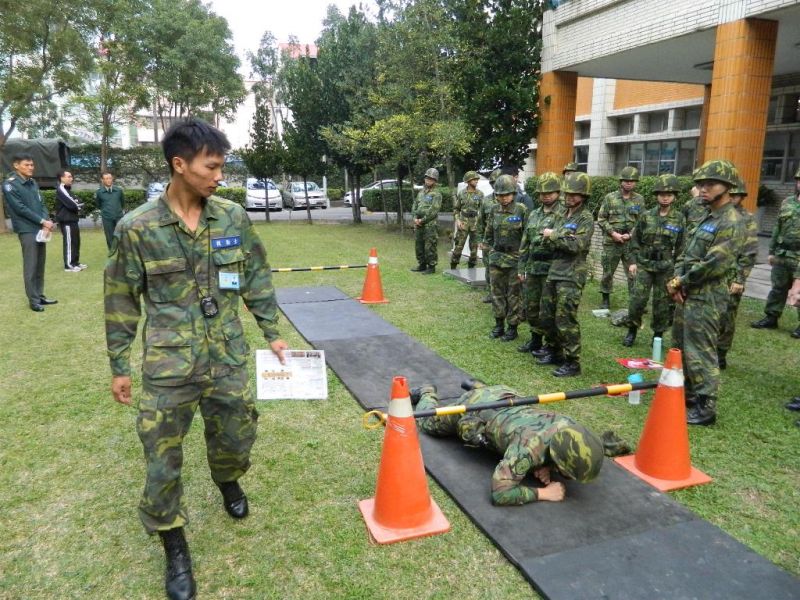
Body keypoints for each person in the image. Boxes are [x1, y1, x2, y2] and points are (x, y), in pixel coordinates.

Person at [104, 118, 288, 600]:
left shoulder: (232, 218)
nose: (219, 176)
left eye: (222, 167)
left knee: (237, 435)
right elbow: (121, 300)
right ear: (180, 165)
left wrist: (272, 333)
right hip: (169, 366)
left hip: (226, 355)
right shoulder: (136, 228)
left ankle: (228, 480)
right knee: (161, 458)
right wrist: (119, 365)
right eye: (212, 167)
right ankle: (174, 543)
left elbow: (255, 277)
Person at [412, 380, 604, 505]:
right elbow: (500, 493)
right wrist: (544, 493)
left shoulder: (569, 426)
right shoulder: (528, 449)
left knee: (494, 400)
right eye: (567, 474)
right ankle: (426, 392)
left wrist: (545, 465)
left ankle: (479, 387)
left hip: (507, 396)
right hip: (476, 408)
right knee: (428, 424)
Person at [668, 159, 743, 426]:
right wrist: (677, 281)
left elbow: (714, 263)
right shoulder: (707, 216)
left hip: (708, 296)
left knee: (701, 350)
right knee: (682, 345)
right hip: (688, 292)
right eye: (701, 184)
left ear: (727, 187)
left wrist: (681, 282)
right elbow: (687, 253)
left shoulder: (731, 221)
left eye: (710, 184)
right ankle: (688, 395)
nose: (703, 189)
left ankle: (706, 406)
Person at [535, 172, 595, 377]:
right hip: (555, 270)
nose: (569, 197)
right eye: (567, 193)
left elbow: (576, 245)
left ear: (583, 196)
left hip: (572, 274)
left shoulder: (585, 218)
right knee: (547, 315)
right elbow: (552, 241)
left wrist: (553, 235)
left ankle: (572, 362)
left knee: (565, 318)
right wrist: (550, 238)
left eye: (574, 194)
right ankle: (554, 351)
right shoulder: (562, 215)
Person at [622, 174, 685, 347]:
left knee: (662, 303)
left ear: (674, 197)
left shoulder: (679, 218)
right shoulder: (646, 216)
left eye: (669, 194)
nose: (665, 198)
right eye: (662, 194)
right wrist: (633, 262)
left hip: (665, 267)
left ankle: (657, 335)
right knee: (637, 300)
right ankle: (632, 330)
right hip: (644, 264)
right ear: (656, 195)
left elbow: (681, 247)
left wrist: (678, 271)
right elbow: (635, 240)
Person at [3, 153, 57, 312]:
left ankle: (39, 296)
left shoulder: (32, 182)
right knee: (31, 265)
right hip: (27, 229)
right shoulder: (10, 184)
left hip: (40, 228)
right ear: (16, 165)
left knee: (40, 264)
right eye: (26, 165)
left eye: (32, 165)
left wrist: (46, 221)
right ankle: (33, 301)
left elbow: (42, 203)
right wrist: (42, 221)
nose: (31, 167)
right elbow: (20, 208)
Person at [750, 166, 800, 338]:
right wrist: (771, 251)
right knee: (778, 287)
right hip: (782, 254)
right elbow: (777, 227)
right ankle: (771, 317)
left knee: (799, 291)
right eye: (799, 180)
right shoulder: (787, 203)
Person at [517, 172, 563, 354]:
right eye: (542, 193)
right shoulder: (534, 214)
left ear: (558, 192)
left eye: (549, 192)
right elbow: (525, 242)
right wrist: (521, 267)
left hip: (552, 269)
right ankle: (535, 339)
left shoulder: (563, 214)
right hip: (533, 268)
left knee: (548, 309)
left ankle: (550, 344)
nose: (546, 196)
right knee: (532, 306)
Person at [716, 181, 758, 368]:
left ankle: (721, 353)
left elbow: (749, 252)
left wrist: (740, 279)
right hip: (712, 274)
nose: (732, 198)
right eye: (729, 195)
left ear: (742, 197)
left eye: (736, 195)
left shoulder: (746, 219)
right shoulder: (716, 214)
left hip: (732, 276)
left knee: (727, 317)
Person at [484, 174, 528, 341]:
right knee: (496, 293)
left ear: (513, 194)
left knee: (513, 295)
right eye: (500, 195)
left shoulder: (521, 210)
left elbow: (527, 237)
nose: (503, 198)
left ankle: (512, 328)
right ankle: (499, 325)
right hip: (496, 257)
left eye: (506, 194)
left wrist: (523, 262)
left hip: (514, 258)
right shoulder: (494, 210)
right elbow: (489, 232)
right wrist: (488, 248)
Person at [596, 166, 645, 309]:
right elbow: (601, 219)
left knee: (633, 272)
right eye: (626, 180)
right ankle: (605, 299)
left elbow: (642, 221)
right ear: (621, 181)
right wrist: (613, 233)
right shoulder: (610, 198)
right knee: (607, 271)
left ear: (635, 183)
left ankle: (634, 300)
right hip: (612, 241)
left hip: (631, 242)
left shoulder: (639, 199)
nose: (629, 183)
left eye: (632, 181)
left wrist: (631, 234)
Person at [410, 168, 442, 274]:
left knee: (430, 245)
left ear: (435, 180)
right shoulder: (421, 192)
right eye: (427, 178)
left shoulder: (436, 194)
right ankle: (422, 264)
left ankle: (431, 267)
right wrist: (415, 218)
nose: (428, 180)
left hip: (429, 224)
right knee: (419, 245)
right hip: (418, 223)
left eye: (431, 179)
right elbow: (415, 205)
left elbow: (434, 210)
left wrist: (422, 220)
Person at [476, 168, 502, 302]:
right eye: (493, 183)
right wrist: (480, 240)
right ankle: (491, 293)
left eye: (497, 182)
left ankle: (503, 293)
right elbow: (480, 222)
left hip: (505, 241)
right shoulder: (485, 201)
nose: (495, 185)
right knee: (489, 267)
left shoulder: (512, 199)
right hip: (489, 241)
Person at [55, 170, 87, 272]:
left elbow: (80, 202)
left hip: (73, 219)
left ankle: (75, 262)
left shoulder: (68, 190)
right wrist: (77, 205)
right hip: (66, 221)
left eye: (71, 177)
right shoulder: (61, 189)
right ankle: (69, 265)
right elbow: (72, 204)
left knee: (76, 242)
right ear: (62, 178)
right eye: (68, 177)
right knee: (69, 242)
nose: (71, 178)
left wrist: (78, 204)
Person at [451, 171, 483, 269]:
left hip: (475, 223)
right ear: (468, 181)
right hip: (463, 222)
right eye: (474, 179)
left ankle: (471, 268)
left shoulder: (480, 194)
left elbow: (482, 211)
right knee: (458, 246)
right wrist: (458, 220)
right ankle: (453, 267)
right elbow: (456, 209)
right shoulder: (461, 193)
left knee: (474, 248)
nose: (476, 181)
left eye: (477, 179)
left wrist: (481, 224)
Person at [96, 171, 125, 248]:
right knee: (109, 238)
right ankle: (112, 253)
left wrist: (118, 211)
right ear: (102, 180)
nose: (108, 180)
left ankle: (122, 252)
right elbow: (98, 205)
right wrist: (106, 211)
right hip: (107, 219)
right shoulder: (99, 192)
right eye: (106, 178)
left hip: (119, 217)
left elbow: (122, 203)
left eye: (110, 178)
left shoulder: (119, 190)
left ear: (112, 179)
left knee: (121, 236)